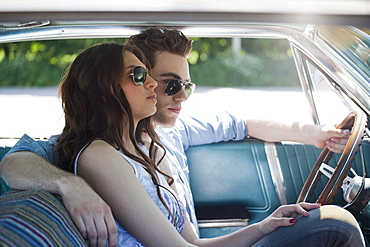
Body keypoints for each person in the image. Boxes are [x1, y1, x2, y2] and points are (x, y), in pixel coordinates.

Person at [0, 28, 354, 246]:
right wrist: (70, 186)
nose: (179, 94)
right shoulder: (93, 151)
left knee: (329, 221)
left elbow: (240, 122)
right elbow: (15, 162)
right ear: (106, 88)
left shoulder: (163, 138)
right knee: (336, 225)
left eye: (187, 85)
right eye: (162, 81)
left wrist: (317, 134)